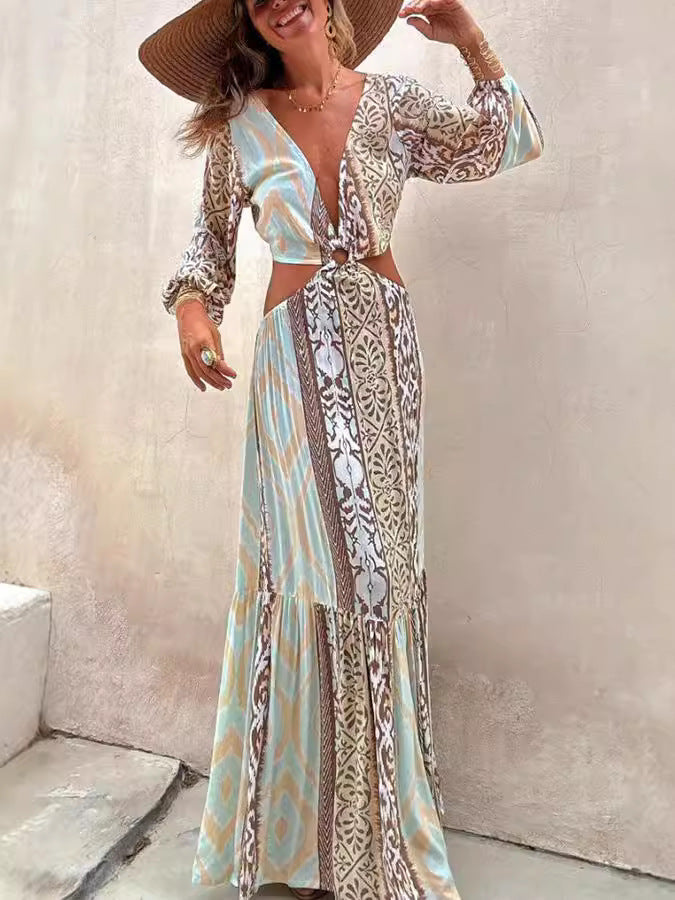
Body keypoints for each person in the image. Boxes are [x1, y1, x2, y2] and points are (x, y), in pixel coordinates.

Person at [139, 1, 543, 897]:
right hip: (293, 367)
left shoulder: (392, 102)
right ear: (251, 21)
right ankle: (298, 839)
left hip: (384, 355)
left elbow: (504, 141)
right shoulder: (239, 128)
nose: (281, 1)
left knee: (380, 578)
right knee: (310, 575)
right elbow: (207, 251)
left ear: (327, 4)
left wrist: (470, 43)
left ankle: (371, 836)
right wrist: (192, 312)